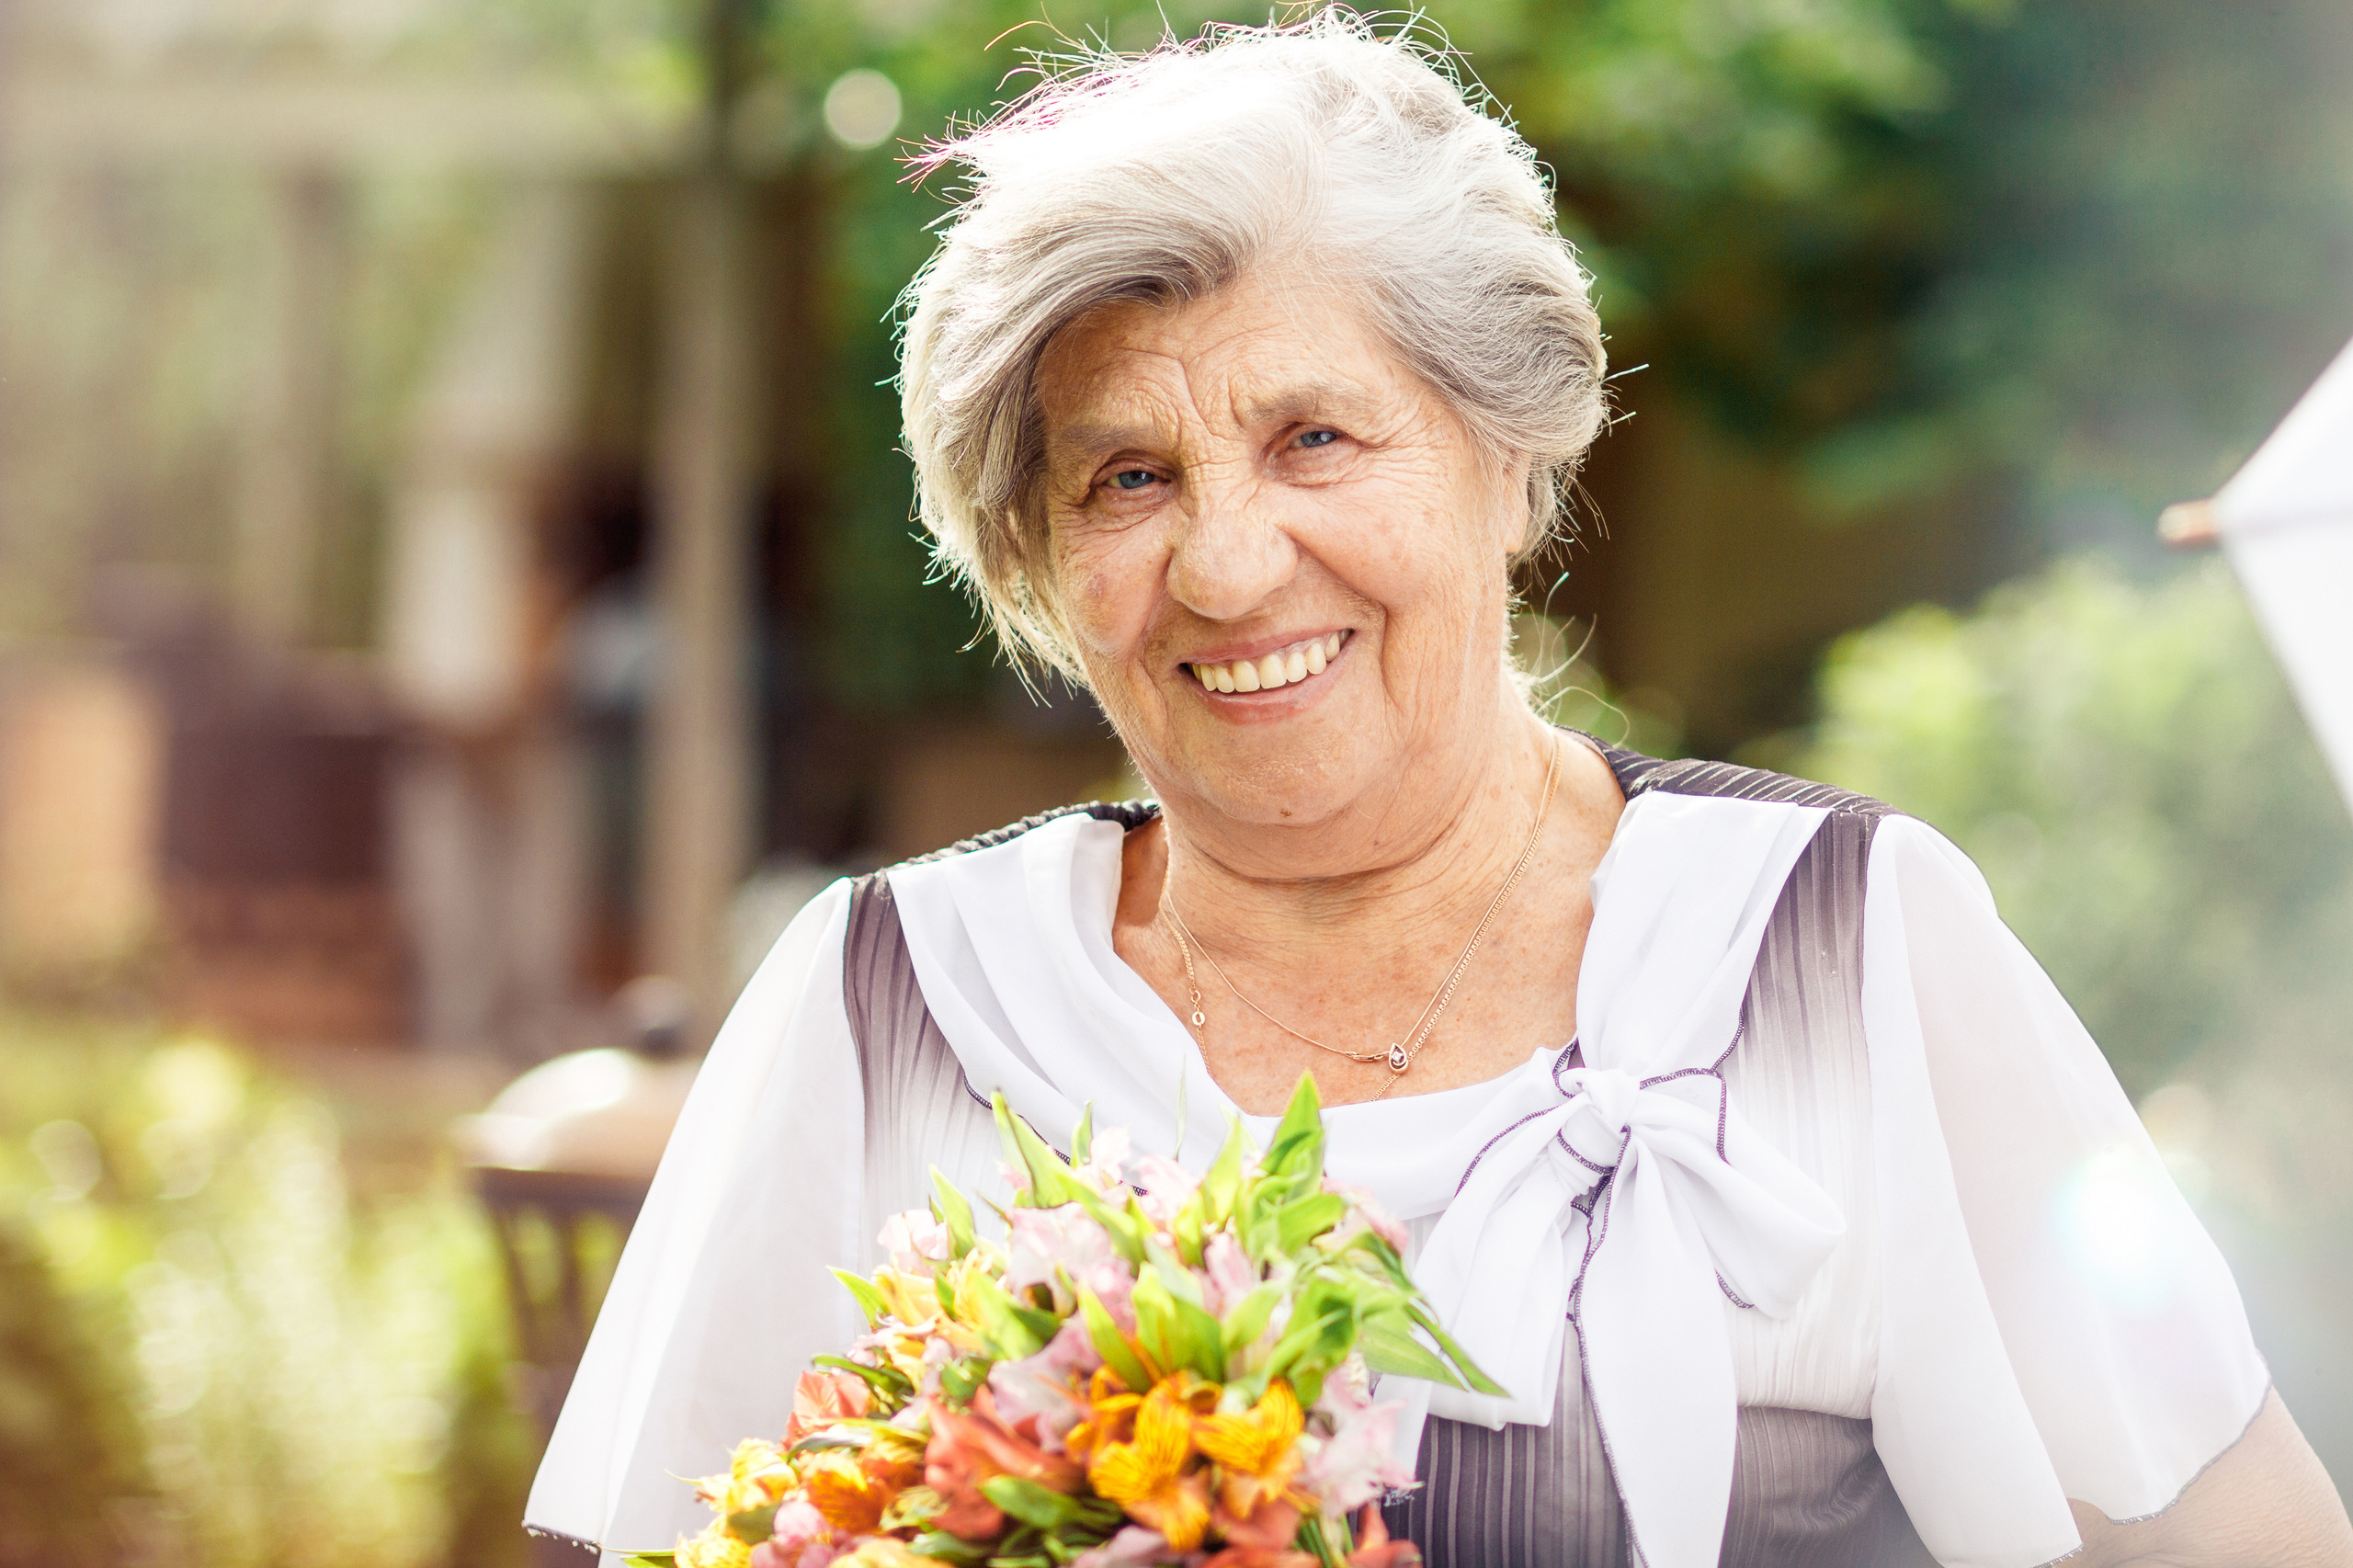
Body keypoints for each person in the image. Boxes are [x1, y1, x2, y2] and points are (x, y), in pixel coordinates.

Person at [527, 15, 2353, 1566]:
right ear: (1036, 561)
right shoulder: (890, 999)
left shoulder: (1840, 945)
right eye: (1126, 479)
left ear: (1506, 457)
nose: (1227, 563)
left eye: (1314, 436)